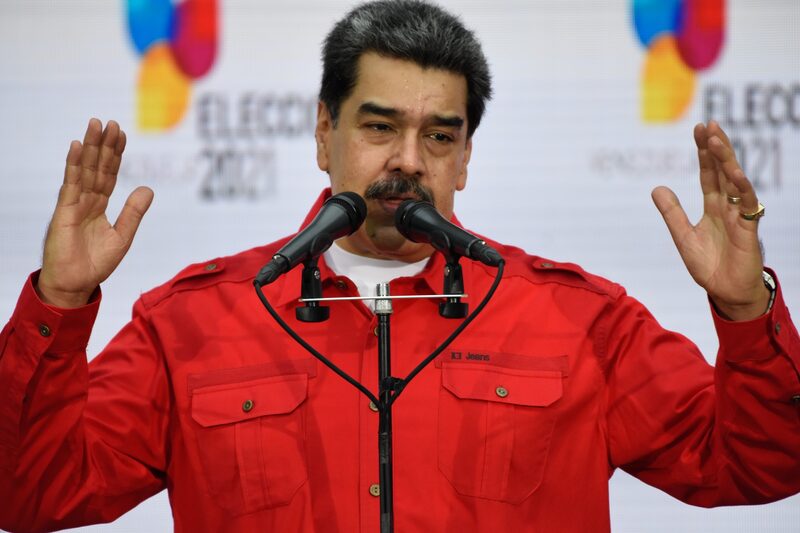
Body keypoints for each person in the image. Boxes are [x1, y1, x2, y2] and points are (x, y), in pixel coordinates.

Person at [1, 1, 798, 532]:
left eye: (440, 137)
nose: (408, 161)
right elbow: (27, 492)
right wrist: (60, 300)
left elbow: (761, 463)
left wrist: (744, 314)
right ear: (324, 134)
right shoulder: (192, 323)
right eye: (378, 127)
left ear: (465, 156)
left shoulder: (580, 319)